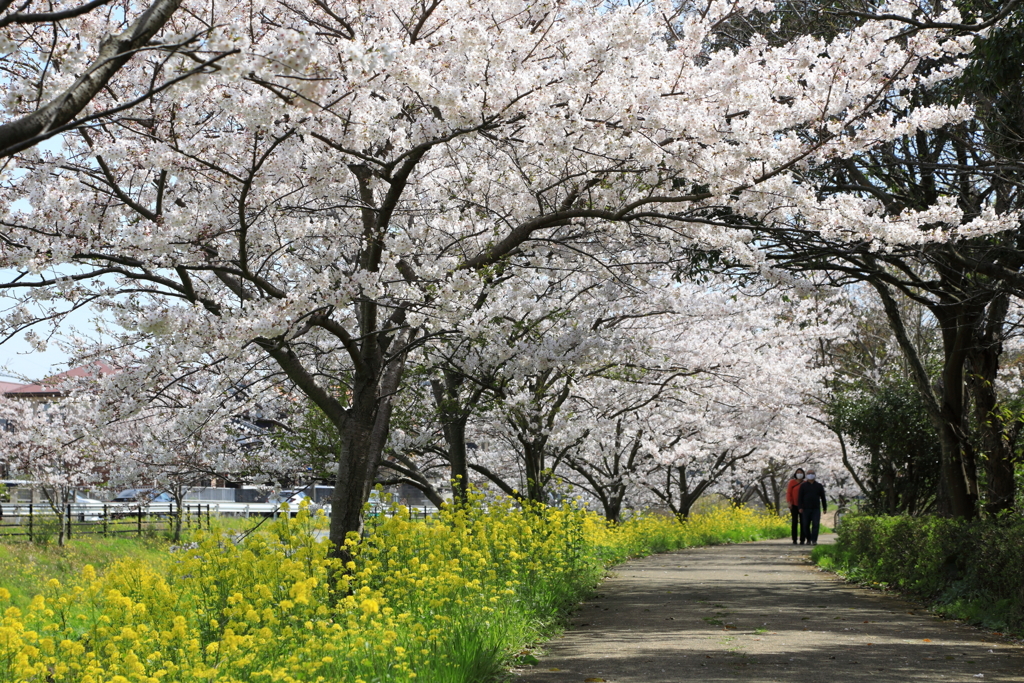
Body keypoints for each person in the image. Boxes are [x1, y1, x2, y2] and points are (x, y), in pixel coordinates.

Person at [797, 469, 827, 546]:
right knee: (805, 525)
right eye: (809, 473)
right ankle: (808, 539)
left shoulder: (819, 486)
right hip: (805, 509)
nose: (810, 475)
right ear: (806, 475)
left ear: (815, 475)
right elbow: (800, 497)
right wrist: (800, 507)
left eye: (812, 473)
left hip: (816, 509)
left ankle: (814, 540)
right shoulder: (803, 486)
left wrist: (824, 507)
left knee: (816, 524)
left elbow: (823, 497)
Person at [785, 468, 805, 545]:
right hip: (793, 505)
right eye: (798, 472)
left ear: (803, 474)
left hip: (803, 506)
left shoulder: (805, 483)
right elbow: (789, 493)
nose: (799, 474)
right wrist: (789, 502)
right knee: (794, 522)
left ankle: (802, 539)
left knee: (803, 522)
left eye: (801, 473)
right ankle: (794, 539)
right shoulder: (792, 482)